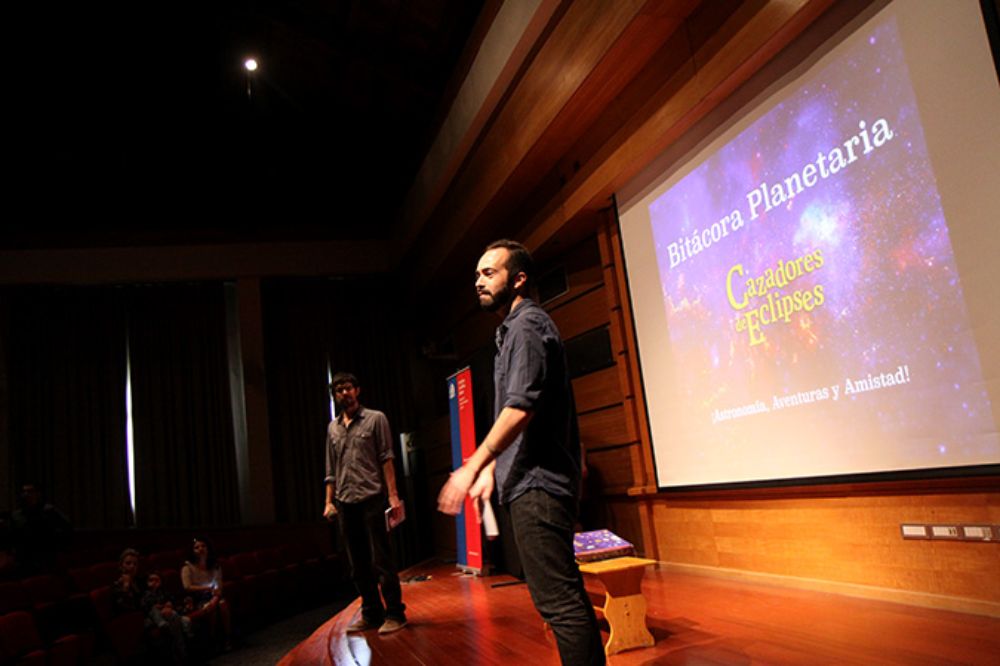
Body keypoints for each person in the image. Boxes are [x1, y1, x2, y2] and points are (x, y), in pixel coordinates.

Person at [437, 239, 605, 665]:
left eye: (488, 273)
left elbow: (520, 408)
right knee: (559, 598)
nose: (478, 281)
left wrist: (471, 466)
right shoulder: (512, 331)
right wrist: (492, 469)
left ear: (519, 278)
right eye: (476, 274)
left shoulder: (528, 327)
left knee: (560, 603)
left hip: (539, 485)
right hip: (528, 482)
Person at [323, 371, 407, 634]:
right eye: (339, 390)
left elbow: (387, 458)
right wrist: (329, 501)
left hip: (372, 497)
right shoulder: (333, 428)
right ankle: (371, 613)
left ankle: (395, 613)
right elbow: (331, 469)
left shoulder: (375, 419)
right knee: (357, 564)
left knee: (382, 560)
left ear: (357, 390)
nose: (344, 393)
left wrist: (392, 495)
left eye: (348, 388)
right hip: (345, 501)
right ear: (335, 396)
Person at [181, 538, 232, 650]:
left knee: (222, 604)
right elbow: (187, 587)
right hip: (198, 596)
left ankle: (227, 639)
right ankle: (212, 640)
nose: (200, 549)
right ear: (192, 550)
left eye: (203, 546)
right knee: (214, 607)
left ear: (208, 548)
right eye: (197, 547)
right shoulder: (187, 567)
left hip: (214, 595)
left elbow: (219, 585)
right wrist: (208, 588)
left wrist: (214, 595)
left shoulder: (215, 565)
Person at [143, 571, 192, 664]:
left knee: (176, 616)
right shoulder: (146, 594)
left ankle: (181, 653)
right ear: (147, 583)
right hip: (155, 617)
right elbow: (147, 607)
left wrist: (169, 604)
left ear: (161, 582)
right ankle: (182, 652)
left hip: (168, 614)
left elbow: (170, 601)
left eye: (156, 580)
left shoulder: (164, 592)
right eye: (151, 580)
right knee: (166, 614)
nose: (154, 582)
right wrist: (161, 607)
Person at [111, 548, 146, 615]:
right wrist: (126, 586)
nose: (132, 566)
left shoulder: (140, 581)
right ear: (121, 566)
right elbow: (122, 609)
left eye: (135, 564)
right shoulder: (116, 586)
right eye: (128, 563)